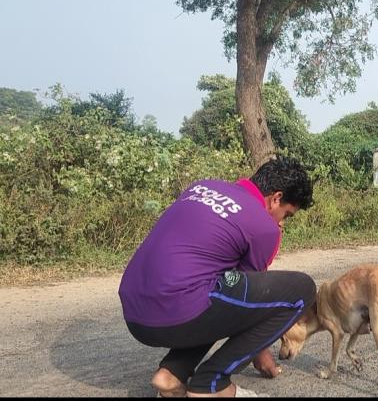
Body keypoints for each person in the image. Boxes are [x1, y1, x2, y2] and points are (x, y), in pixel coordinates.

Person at [118, 156, 316, 397]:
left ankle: (172, 374)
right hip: (177, 313)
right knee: (302, 289)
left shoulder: (202, 186)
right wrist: (260, 352)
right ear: (276, 198)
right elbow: (249, 304)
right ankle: (212, 384)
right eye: (287, 214)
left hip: (135, 314)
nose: (282, 223)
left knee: (212, 286)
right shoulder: (265, 227)